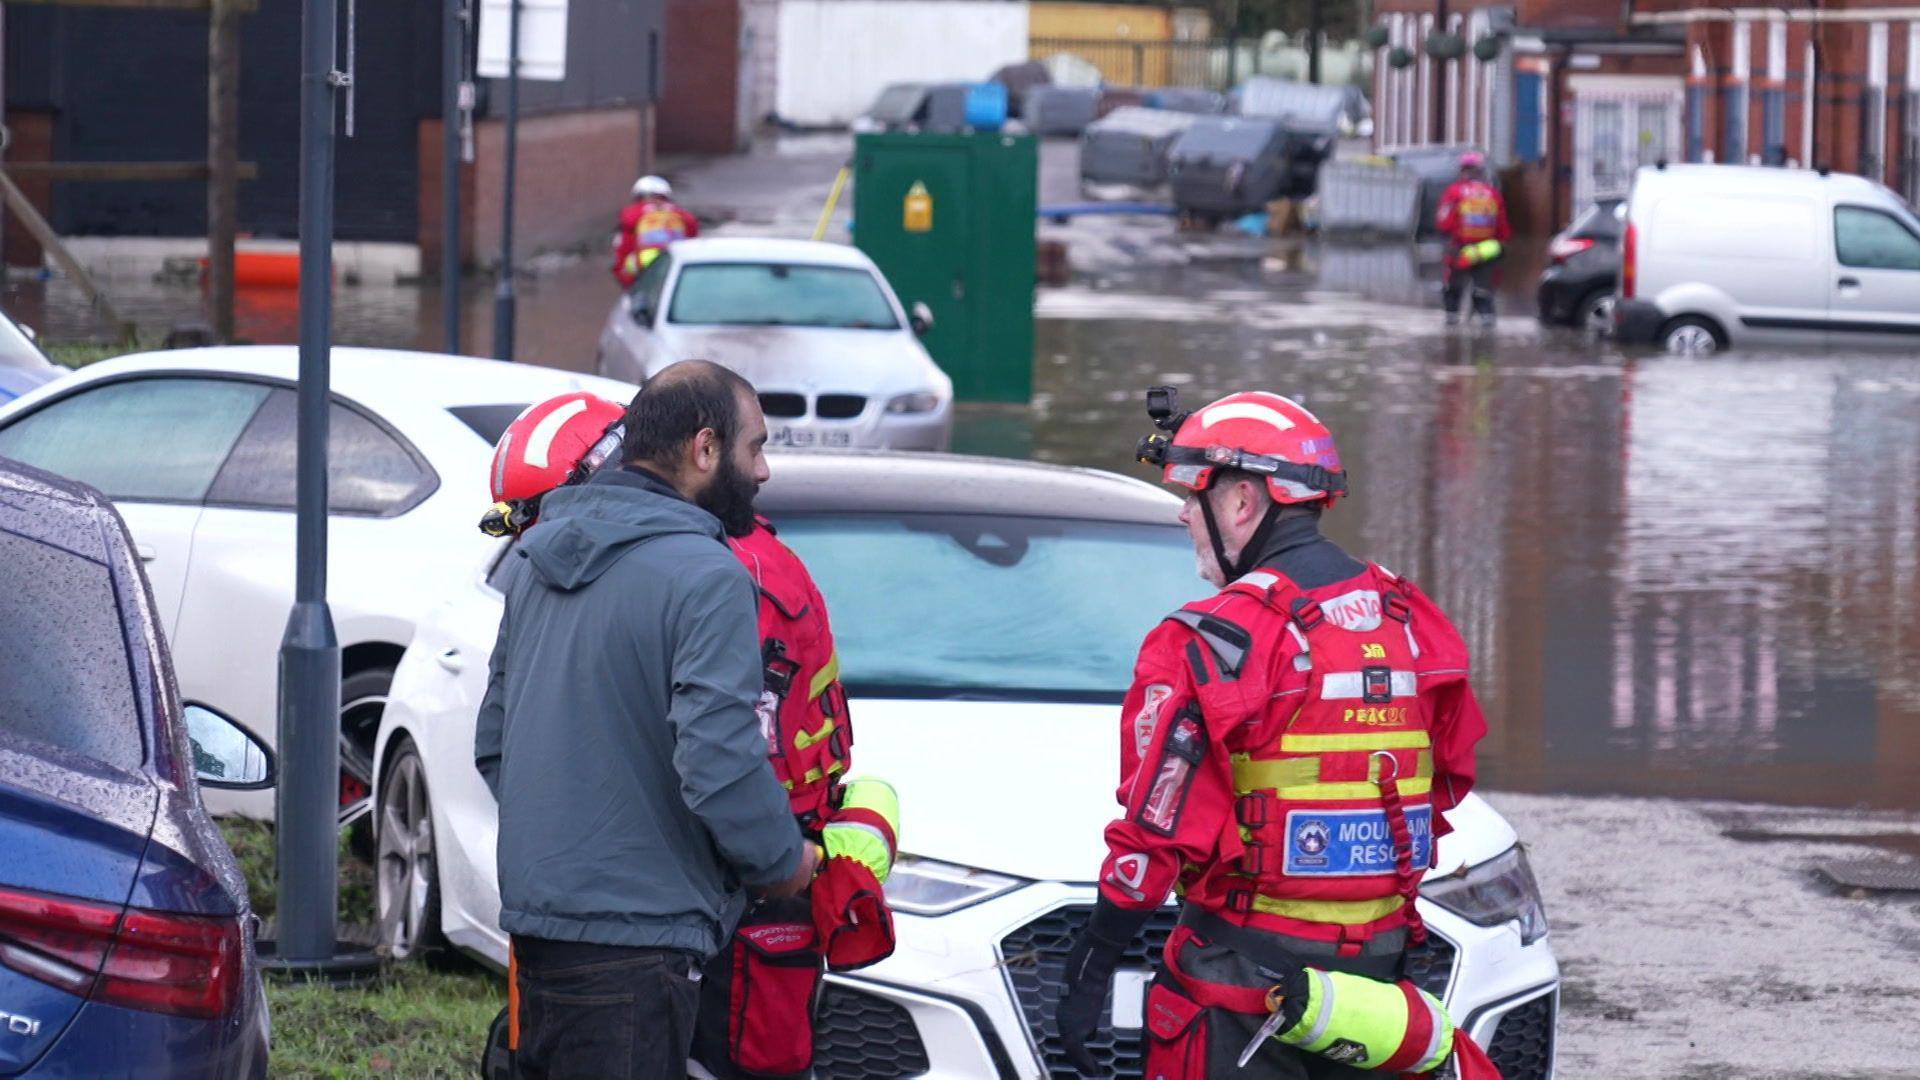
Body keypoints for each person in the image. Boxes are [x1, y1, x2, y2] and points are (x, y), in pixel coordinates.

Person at [1053, 388, 1492, 1079]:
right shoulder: (1413, 620)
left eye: (1193, 497)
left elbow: (1158, 832)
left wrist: (1093, 961)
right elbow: (1447, 778)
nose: (1182, 514)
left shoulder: (1207, 640)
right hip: (1377, 1000)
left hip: (1239, 994)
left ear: (1241, 502)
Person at [477, 387, 902, 1080]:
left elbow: (497, 744)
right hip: (658, 935)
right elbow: (724, 759)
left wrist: (572, 849)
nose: (763, 470)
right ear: (704, 449)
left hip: (541, 926)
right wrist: (778, 864)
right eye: (755, 448)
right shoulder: (716, 573)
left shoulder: (531, 565)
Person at [1434, 151, 1510, 327]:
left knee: (1453, 288)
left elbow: (1443, 221)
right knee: (1483, 289)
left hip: (1459, 249)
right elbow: (1503, 227)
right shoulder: (1492, 194)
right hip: (1486, 250)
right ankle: (1486, 325)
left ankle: (1451, 323)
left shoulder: (1454, 192)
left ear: (1463, 170)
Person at [613, 175, 699, 288]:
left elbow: (624, 247)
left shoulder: (632, 213)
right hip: (674, 263)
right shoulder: (682, 215)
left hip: (643, 265)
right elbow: (692, 239)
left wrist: (624, 278)